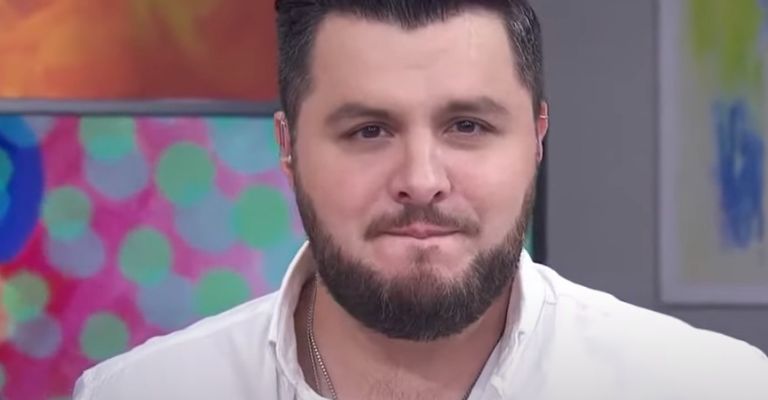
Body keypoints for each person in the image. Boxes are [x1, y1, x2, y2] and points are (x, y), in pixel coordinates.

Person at [73, 1, 768, 399]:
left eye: (467, 126)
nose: (422, 178)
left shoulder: (713, 388)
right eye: (368, 130)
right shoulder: (138, 393)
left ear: (537, 137)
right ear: (287, 145)